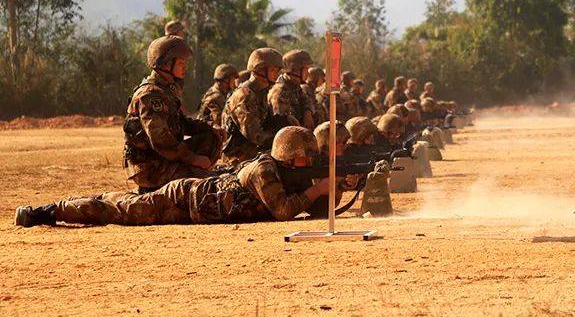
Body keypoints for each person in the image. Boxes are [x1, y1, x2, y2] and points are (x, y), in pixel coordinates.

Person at [14, 127, 336, 227]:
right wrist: (320, 188)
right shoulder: (265, 169)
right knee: (120, 211)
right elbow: (283, 211)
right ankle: (48, 210)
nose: (307, 162)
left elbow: (305, 208)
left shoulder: (286, 175)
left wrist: (332, 192)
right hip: (185, 199)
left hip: (195, 207)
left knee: (124, 204)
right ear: (287, 154)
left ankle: (92, 200)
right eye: (303, 157)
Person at [122, 36, 222, 193]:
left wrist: (211, 127)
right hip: (149, 168)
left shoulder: (165, 91)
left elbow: (182, 123)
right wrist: (193, 159)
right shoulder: (150, 95)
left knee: (211, 137)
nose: (185, 68)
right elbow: (161, 140)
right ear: (166, 64)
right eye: (181, 63)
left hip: (162, 158)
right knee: (207, 183)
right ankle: (155, 189)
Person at [221, 48, 293, 163]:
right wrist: (283, 137)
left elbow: (267, 122)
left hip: (253, 152)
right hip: (238, 158)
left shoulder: (262, 92)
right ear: (261, 70)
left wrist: (285, 121)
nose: (277, 74)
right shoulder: (245, 95)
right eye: (273, 70)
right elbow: (256, 136)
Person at [268, 50, 316, 129]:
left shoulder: (295, 86)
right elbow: (283, 122)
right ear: (295, 70)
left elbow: (306, 100)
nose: (308, 73)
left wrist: (307, 111)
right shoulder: (280, 90)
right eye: (306, 69)